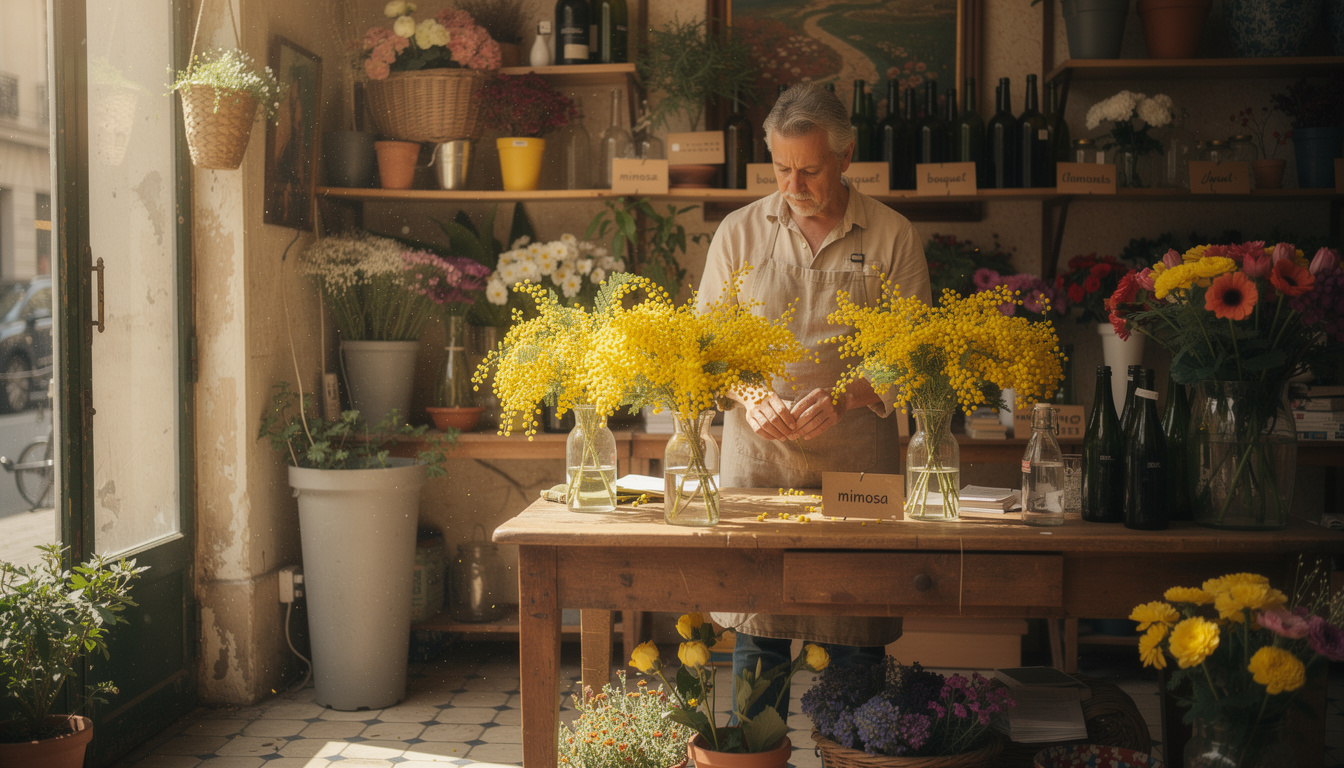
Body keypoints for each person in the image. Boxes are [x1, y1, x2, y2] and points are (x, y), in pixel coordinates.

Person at [695, 81, 932, 720]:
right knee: (758, 638)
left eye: (809, 170)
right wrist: (749, 396)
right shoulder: (739, 233)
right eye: (781, 169)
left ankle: (855, 755)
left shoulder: (893, 235)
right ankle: (756, 753)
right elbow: (706, 349)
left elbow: (913, 354)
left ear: (847, 157)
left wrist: (853, 392)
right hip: (758, 462)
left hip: (856, 465)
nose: (793, 185)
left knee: (854, 641)